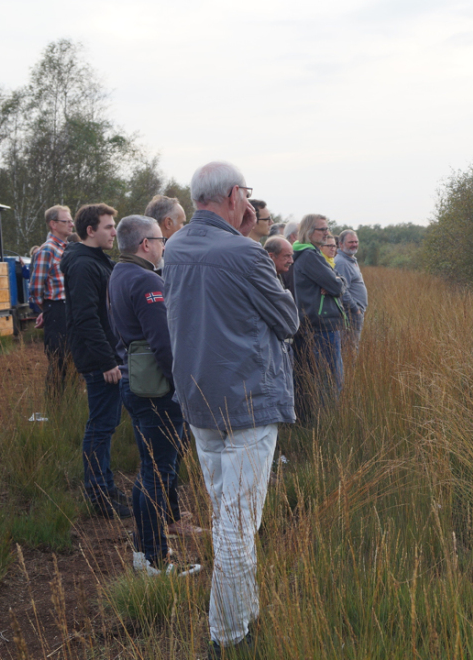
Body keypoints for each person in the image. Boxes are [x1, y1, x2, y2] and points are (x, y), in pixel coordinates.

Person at [164, 161, 298, 655]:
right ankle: (229, 635)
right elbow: (287, 321)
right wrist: (247, 242)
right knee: (239, 525)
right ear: (236, 194)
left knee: (227, 515)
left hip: (199, 402)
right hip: (247, 404)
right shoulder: (247, 254)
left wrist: (241, 236)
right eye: (246, 196)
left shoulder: (174, 248)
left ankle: (242, 611)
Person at [109, 215, 200, 576]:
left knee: (151, 470)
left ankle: (145, 552)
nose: (165, 245)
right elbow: (163, 342)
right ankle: (155, 559)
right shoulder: (146, 279)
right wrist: (184, 384)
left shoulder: (119, 273)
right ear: (145, 244)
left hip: (137, 385)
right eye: (161, 239)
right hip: (156, 390)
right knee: (157, 474)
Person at [60, 203, 130, 518]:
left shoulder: (97, 261)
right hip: (100, 360)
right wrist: (107, 362)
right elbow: (86, 318)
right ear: (91, 230)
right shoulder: (83, 265)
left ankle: (106, 488)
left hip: (108, 355)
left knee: (106, 424)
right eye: (108, 226)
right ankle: (99, 496)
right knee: (100, 427)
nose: (114, 231)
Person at [143, 193, 199, 537]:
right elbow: (163, 334)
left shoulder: (162, 265)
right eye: (182, 221)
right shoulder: (159, 271)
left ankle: (172, 514)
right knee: (164, 454)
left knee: (171, 451)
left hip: (169, 373)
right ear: (168, 225)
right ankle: (167, 522)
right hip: (165, 377)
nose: (186, 226)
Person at [291, 214, 348, 423]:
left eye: (327, 228)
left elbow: (336, 282)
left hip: (316, 325)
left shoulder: (309, 254)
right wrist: (337, 283)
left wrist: (337, 281)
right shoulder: (309, 256)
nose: (327, 233)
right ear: (309, 232)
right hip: (322, 326)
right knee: (331, 380)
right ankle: (328, 423)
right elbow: (336, 286)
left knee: (320, 378)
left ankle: (317, 421)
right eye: (322, 229)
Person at [28, 205, 75, 395]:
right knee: (59, 362)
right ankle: (56, 411)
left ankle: (70, 407)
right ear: (53, 224)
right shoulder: (47, 250)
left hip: (69, 309)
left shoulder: (68, 248)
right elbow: (36, 288)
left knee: (72, 361)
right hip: (57, 310)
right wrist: (47, 310)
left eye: (71, 220)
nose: (72, 224)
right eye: (67, 221)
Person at [335, 229, 367, 351]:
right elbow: (342, 291)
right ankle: (349, 370)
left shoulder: (350, 260)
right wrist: (356, 310)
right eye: (350, 242)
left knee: (353, 347)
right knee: (349, 349)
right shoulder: (342, 262)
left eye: (356, 241)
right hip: (350, 314)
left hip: (354, 313)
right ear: (341, 244)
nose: (354, 244)